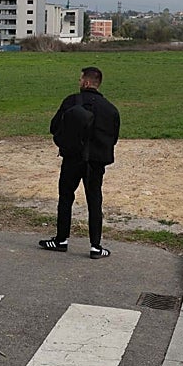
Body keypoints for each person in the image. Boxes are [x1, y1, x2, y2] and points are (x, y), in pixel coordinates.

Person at [40, 66, 121, 258]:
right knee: (94, 200)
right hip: (96, 163)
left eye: (80, 80)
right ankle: (95, 246)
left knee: (66, 197)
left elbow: (54, 127)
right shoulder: (110, 109)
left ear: (85, 82)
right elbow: (113, 138)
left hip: (72, 159)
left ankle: (61, 240)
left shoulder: (71, 101)